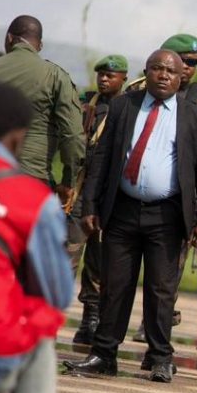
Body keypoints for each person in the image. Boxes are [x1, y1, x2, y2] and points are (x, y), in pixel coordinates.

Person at [64, 50, 197, 382]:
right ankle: (104, 354)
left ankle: (161, 356)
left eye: (170, 71)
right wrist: (90, 206)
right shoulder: (124, 106)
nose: (163, 75)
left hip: (168, 216)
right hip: (122, 210)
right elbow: (101, 161)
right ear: (146, 72)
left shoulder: (196, 116)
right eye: (157, 69)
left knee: (162, 289)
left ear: (181, 78)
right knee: (114, 285)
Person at [0, 82, 74, 393]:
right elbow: (58, 292)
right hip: (3, 345)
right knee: (40, 319)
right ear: (17, 137)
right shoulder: (31, 199)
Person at [131, 34, 197, 349]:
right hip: (142, 196)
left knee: (186, 270)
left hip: (189, 201)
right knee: (141, 268)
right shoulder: (137, 93)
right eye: (183, 60)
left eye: (193, 63)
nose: (187, 68)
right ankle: (145, 323)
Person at [0, 16, 85, 260]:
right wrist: (68, 181)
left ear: (9, 39)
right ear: (40, 45)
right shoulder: (54, 76)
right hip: (31, 183)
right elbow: (73, 136)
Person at [71, 54, 130, 346]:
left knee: (99, 260)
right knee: (68, 253)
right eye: (101, 74)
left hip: (107, 197)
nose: (104, 79)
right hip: (79, 192)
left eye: (111, 75)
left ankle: (90, 319)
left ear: (124, 79)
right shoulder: (87, 104)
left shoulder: (127, 108)